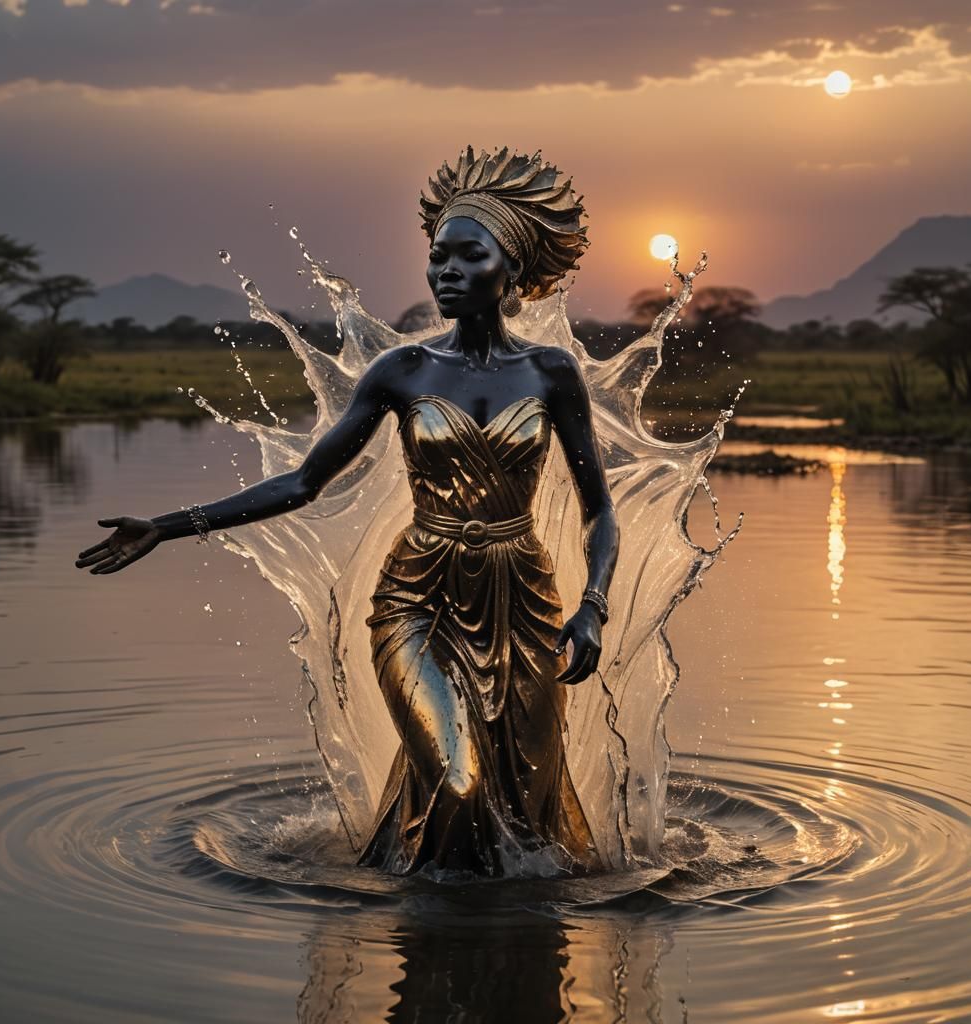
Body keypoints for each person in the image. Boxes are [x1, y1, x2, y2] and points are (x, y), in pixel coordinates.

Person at [75, 146, 619, 876]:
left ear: (512, 270)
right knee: (458, 780)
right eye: (437, 256)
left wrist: (591, 607)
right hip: (417, 598)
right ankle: (428, 950)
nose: (446, 271)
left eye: (469, 255)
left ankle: (492, 960)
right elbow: (303, 483)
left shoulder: (552, 374)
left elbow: (600, 514)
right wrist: (170, 526)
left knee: (522, 803)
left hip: (524, 600)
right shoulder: (402, 372)